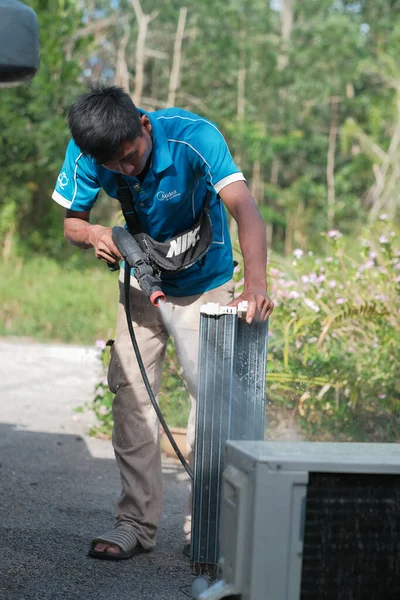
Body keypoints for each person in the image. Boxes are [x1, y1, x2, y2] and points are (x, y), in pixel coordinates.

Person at [52, 85, 274, 560]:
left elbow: (244, 209)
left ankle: (206, 526)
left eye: (131, 157)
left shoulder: (195, 137)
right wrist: (93, 232)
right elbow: (73, 222)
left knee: (211, 402)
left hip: (207, 282)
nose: (125, 170)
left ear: (145, 126)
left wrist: (256, 285)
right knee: (132, 396)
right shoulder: (89, 150)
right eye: (113, 165)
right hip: (141, 280)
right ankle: (134, 523)